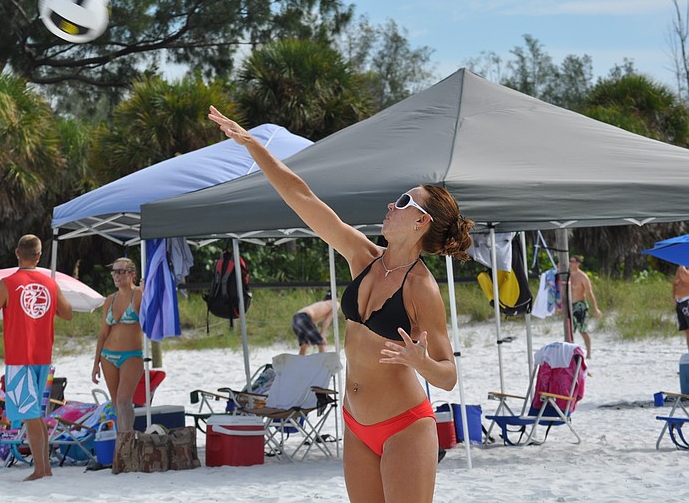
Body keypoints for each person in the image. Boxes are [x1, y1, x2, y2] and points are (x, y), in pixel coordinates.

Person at [208, 106, 472, 503]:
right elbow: (302, 197)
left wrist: (421, 362)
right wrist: (252, 145)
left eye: (404, 201)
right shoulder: (363, 256)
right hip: (356, 424)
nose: (391, 205)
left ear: (422, 222)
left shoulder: (422, 289)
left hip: (405, 426)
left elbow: (448, 376)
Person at [0, 234, 73, 481]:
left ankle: (40, 470)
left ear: (17, 253)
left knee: (30, 415)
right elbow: (68, 313)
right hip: (43, 355)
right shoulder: (50, 283)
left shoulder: (7, 283)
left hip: (19, 357)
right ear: (39, 256)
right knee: (36, 413)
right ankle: (46, 467)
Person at [92, 258, 144, 432]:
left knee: (123, 401)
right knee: (116, 404)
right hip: (107, 356)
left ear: (132, 274)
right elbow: (103, 333)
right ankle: (122, 440)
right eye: (114, 271)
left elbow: (149, 321)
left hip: (131, 355)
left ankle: (126, 439)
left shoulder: (139, 294)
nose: (117, 275)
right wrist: (96, 364)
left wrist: (147, 295)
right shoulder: (110, 300)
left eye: (121, 271)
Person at [568, 255, 603, 359]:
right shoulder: (568, 275)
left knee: (583, 330)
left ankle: (589, 353)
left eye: (573, 261)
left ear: (578, 263)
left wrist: (595, 308)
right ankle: (570, 352)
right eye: (570, 261)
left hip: (580, 305)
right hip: (570, 305)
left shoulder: (582, 276)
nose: (570, 263)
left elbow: (589, 292)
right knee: (569, 330)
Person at [673, 265, 689, 351]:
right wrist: (674, 297)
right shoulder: (681, 268)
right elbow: (675, 283)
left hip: (686, 299)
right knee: (686, 330)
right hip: (680, 301)